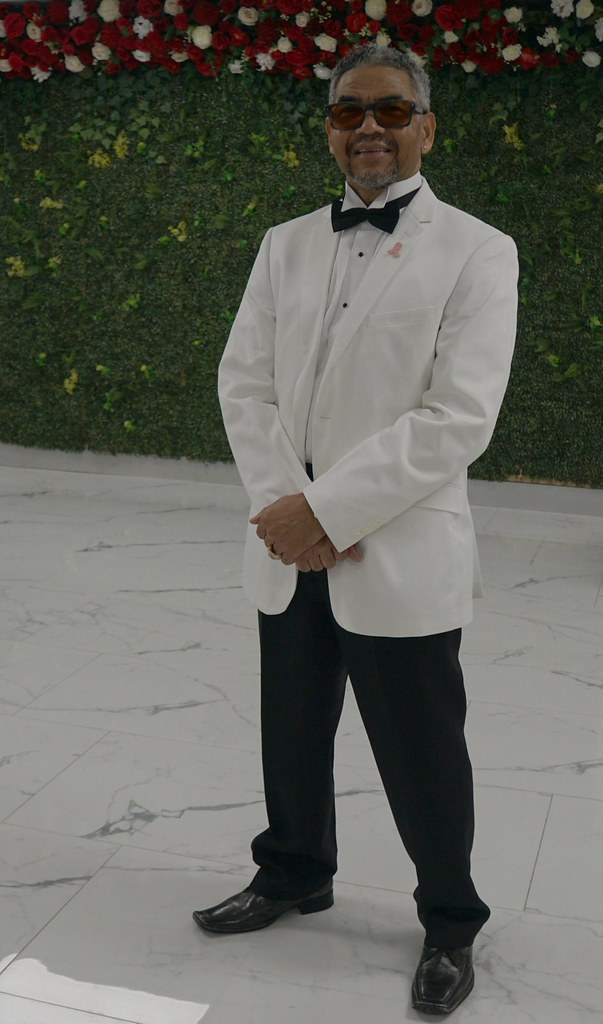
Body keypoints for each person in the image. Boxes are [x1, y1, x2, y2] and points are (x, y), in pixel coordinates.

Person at [193, 43, 518, 1017]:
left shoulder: (479, 250)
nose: (368, 127)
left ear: (427, 126)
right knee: (291, 729)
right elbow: (243, 383)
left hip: (396, 547)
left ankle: (450, 918)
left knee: (422, 749)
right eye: (348, 113)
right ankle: (294, 869)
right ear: (330, 130)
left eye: (390, 109)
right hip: (286, 542)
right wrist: (285, 511)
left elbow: (457, 417)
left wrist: (327, 511)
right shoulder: (283, 244)